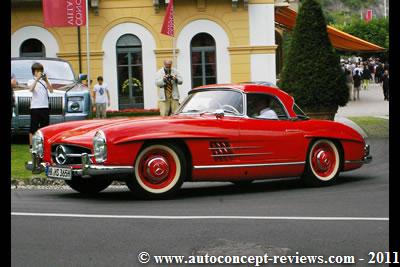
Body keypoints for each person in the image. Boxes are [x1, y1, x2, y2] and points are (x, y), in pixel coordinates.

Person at [28, 62, 53, 150]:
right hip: (35, 107)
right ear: (33, 72)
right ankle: (31, 146)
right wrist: (37, 79)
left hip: (45, 107)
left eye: (40, 70)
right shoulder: (31, 81)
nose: (38, 72)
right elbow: (31, 89)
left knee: (45, 127)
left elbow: (51, 90)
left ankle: (43, 145)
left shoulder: (46, 80)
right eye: (37, 71)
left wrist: (46, 80)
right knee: (33, 128)